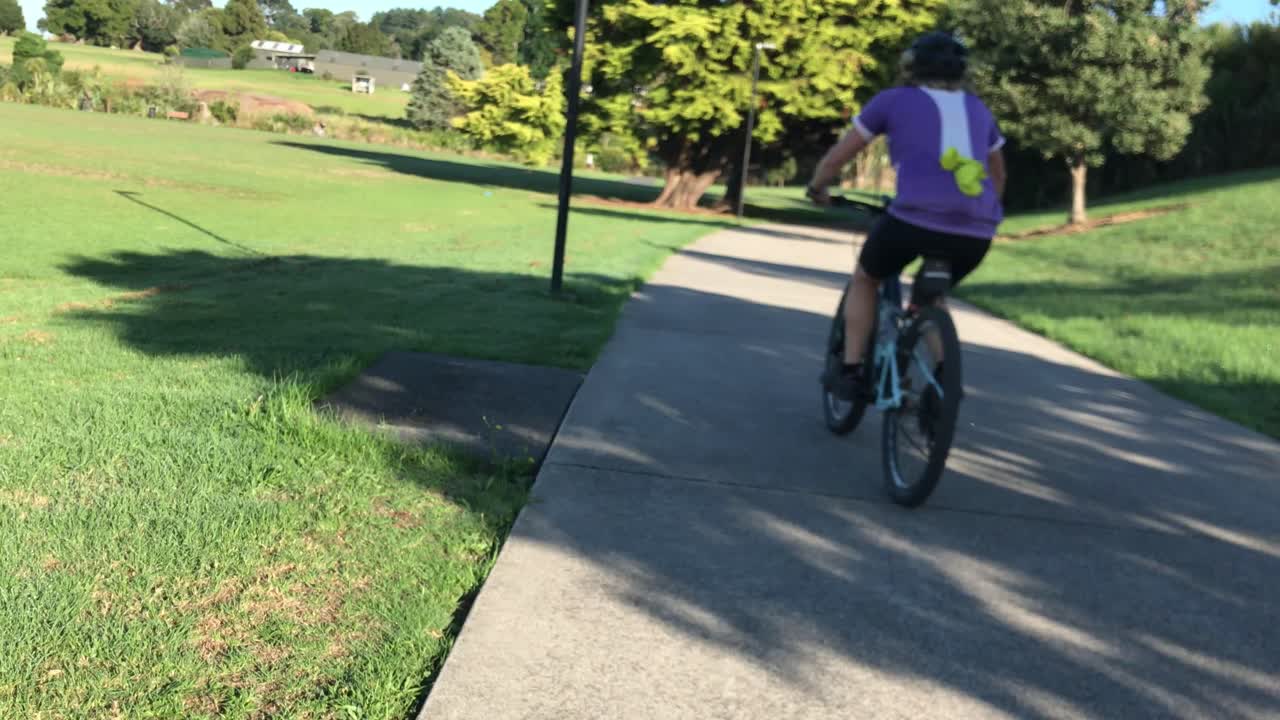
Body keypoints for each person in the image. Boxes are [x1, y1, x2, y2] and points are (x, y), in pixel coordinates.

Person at [806, 31, 1006, 401]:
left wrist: (818, 187)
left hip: (913, 220)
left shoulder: (893, 101)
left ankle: (850, 372)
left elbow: (840, 155)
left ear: (910, 66)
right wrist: (986, 209)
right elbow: (997, 173)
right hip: (976, 232)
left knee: (867, 277)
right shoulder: (979, 110)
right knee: (931, 298)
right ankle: (944, 384)